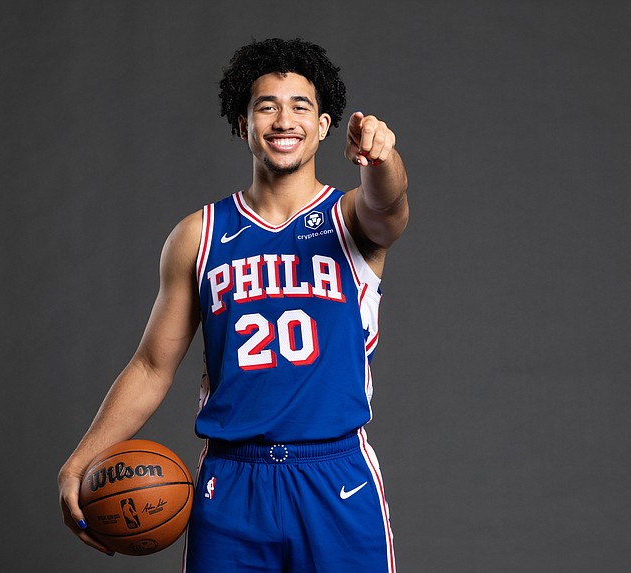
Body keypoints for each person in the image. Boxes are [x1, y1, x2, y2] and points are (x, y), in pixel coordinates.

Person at [58, 37, 409, 572]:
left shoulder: (352, 220)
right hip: (233, 481)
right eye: (266, 106)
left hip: (336, 476)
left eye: (301, 107)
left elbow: (390, 201)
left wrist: (381, 158)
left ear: (323, 124)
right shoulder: (198, 235)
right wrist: (79, 462)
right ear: (242, 123)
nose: (283, 119)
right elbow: (153, 366)